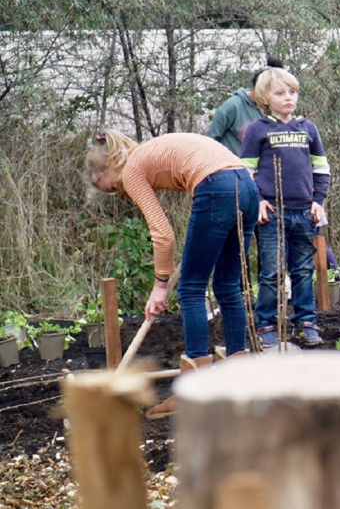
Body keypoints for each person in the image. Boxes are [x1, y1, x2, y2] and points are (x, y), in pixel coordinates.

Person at [86, 130, 259, 418]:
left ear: (108, 167)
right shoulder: (149, 152)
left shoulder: (131, 169)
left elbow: (163, 235)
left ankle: (194, 392)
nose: (117, 193)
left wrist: (160, 284)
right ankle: (238, 380)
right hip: (248, 187)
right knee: (227, 286)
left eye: (110, 188)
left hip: (217, 186)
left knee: (190, 289)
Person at [240, 67, 330, 349]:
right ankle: (265, 323)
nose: (288, 98)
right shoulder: (258, 130)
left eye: (292, 92)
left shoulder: (308, 129)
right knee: (272, 272)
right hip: (272, 215)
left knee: (303, 270)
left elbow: (321, 168)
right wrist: (258, 202)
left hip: (305, 213)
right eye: (280, 93)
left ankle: (306, 323)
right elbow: (246, 172)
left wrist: (318, 201)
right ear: (266, 98)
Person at [206, 57, 284, 156]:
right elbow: (210, 140)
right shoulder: (233, 106)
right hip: (231, 167)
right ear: (258, 87)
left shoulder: (275, 109)